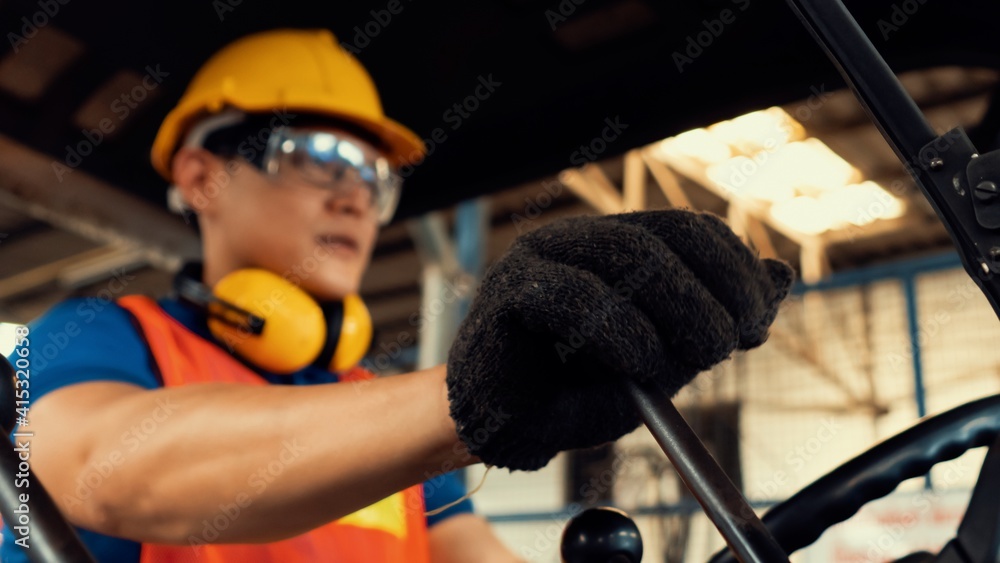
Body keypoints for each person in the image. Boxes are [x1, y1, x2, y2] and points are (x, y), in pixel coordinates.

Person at [2, 26, 793, 563]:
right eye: (316, 154)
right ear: (202, 176)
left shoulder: (377, 409)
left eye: (373, 176)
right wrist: (472, 395)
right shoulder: (99, 336)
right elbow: (97, 465)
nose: (355, 197)